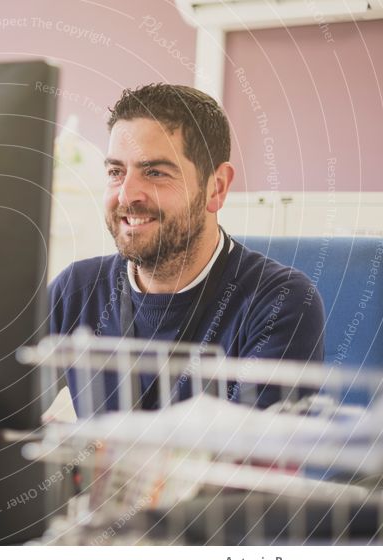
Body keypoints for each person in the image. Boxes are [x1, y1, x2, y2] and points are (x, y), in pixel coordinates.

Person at [48, 84, 325, 411]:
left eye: (154, 172)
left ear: (216, 188)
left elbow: (247, 455)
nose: (126, 195)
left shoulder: (280, 303)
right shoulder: (77, 290)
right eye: (115, 172)